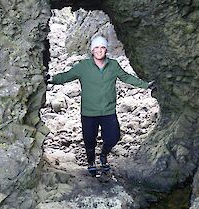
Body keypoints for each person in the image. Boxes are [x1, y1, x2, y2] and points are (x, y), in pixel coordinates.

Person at [46, 36, 155, 177]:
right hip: (89, 112)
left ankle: (103, 155)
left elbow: (127, 77)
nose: (99, 50)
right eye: (96, 48)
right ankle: (91, 162)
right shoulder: (83, 66)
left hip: (108, 111)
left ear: (106, 49)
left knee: (113, 137)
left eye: (102, 47)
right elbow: (66, 76)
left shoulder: (114, 65)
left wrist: (146, 85)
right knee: (89, 140)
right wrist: (51, 79)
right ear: (92, 50)